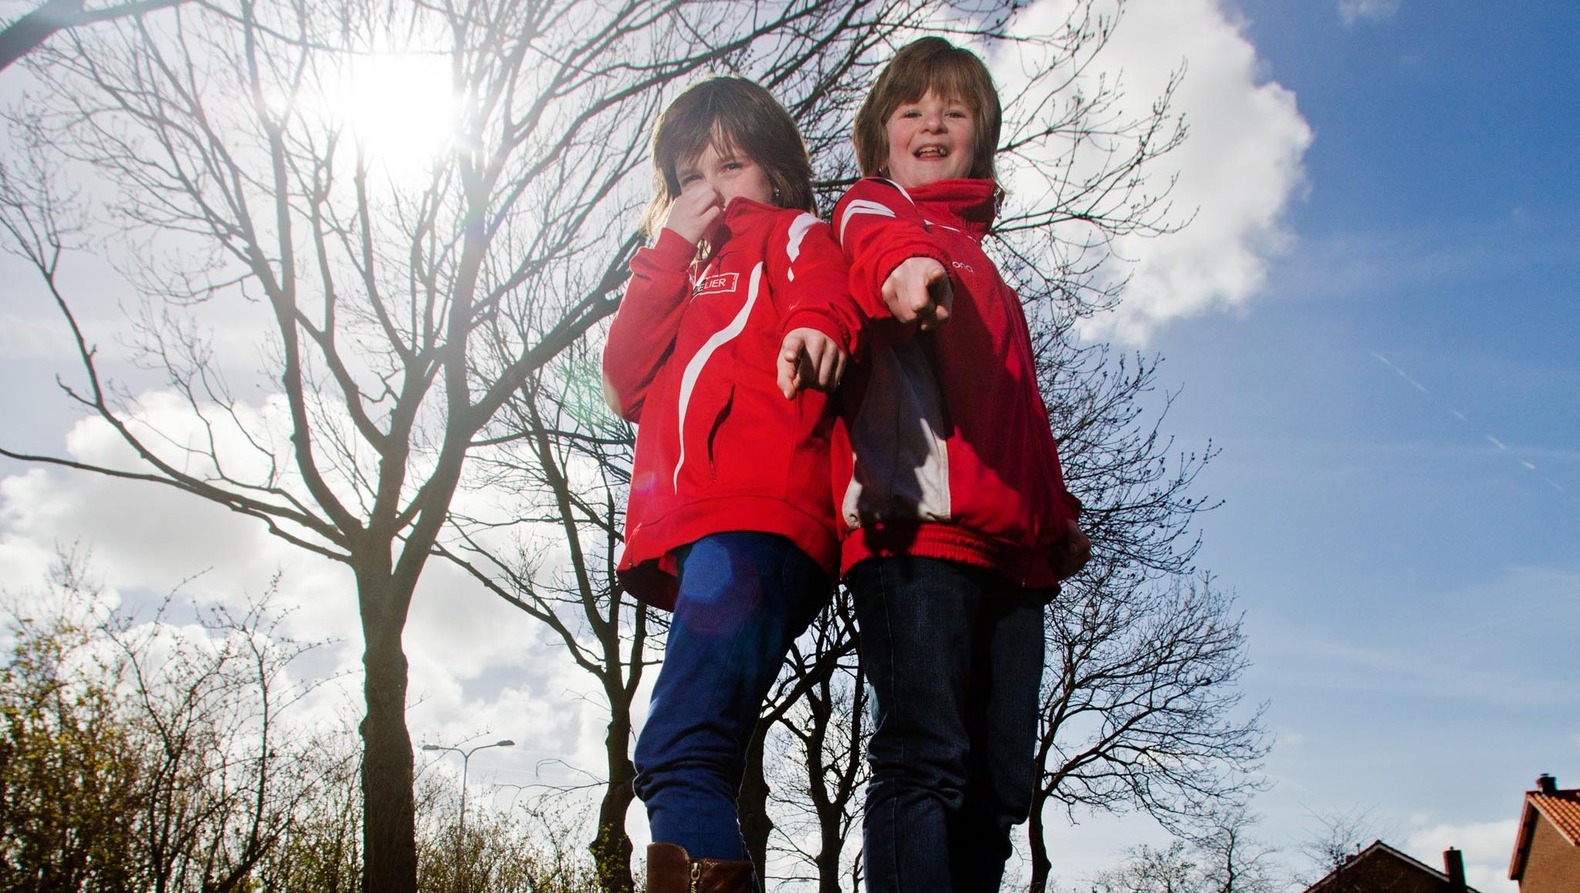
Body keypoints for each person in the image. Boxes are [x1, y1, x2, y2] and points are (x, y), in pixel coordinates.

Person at [829, 37, 1093, 893]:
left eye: (955, 108)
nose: (933, 121)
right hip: (921, 533)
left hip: (1015, 562)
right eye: (912, 109)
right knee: (924, 754)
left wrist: (1060, 521)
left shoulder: (988, 269)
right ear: (881, 139)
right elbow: (872, 244)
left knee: (998, 788)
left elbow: (1022, 414)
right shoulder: (876, 208)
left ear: (982, 135)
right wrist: (907, 271)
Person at [602, 76, 866, 893]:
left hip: (758, 515)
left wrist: (816, 330)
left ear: (777, 176)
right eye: (688, 177)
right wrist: (668, 251)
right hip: (711, 535)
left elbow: (826, 292)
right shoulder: (676, 278)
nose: (710, 191)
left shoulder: (787, 231)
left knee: (676, 749)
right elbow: (621, 377)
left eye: (731, 165)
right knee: (697, 750)